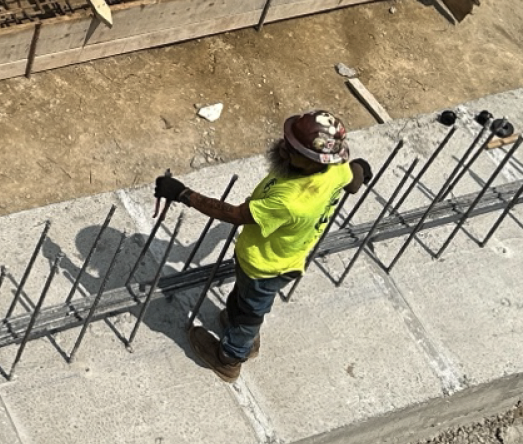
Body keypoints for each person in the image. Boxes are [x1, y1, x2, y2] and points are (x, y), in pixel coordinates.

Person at [154, 112, 370, 383]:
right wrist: (362, 169)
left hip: (265, 266)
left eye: (295, 149)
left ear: (316, 162)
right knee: (242, 304)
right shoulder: (335, 168)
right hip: (284, 255)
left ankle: (231, 357)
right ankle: (238, 328)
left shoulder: (291, 200)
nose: (284, 147)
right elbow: (353, 180)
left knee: (249, 313)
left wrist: (184, 194)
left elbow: (235, 214)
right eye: (288, 140)